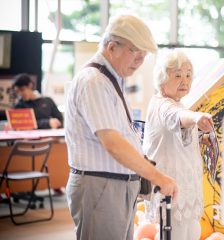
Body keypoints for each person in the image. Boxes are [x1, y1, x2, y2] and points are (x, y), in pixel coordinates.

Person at [64, 14, 178, 240]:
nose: (140, 59)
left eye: (143, 54)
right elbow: (113, 143)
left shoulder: (111, 80)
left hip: (114, 187)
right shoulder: (94, 81)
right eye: (134, 51)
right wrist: (158, 177)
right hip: (100, 187)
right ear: (112, 47)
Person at [143, 50, 213, 240]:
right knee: (176, 234)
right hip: (171, 188)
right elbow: (175, 117)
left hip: (183, 188)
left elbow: (177, 137)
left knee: (191, 232)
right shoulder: (163, 105)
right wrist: (197, 117)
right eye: (178, 75)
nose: (185, 80)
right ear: (163, 79)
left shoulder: (177, 103)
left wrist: (200, 138)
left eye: (189, 75)